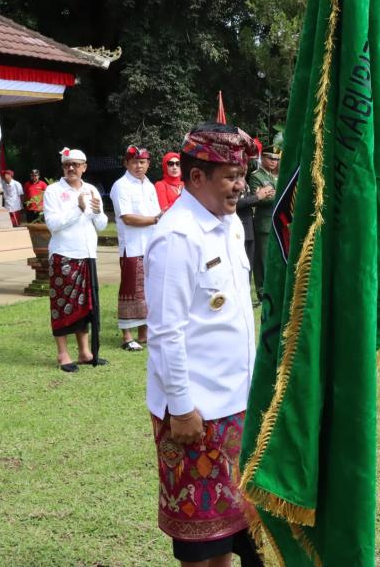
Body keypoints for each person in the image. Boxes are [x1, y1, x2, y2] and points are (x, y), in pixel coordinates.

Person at [145, 122, 262, 567]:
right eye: (230, 175)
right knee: (201, 545)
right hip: (196, 412)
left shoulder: (227, 224)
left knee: (238, 530)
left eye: (242, 173)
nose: (240, 185)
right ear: (196, 178)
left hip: (238, 404)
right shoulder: (177, 236)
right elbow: (166, 332)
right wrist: (181, 406)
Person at [44, 148, 109, 372]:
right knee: (62, 305)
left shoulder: (91, 189)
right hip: (64, 254)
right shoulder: (53, 191)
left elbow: (100, 225)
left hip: (88, 254)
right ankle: (63, 354)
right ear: (62, 167)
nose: (71, 168)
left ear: (84, 167)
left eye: (76, 164)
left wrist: (99, 212)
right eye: (67, 165)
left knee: (86, 306)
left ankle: (84, 352)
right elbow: (53, 224)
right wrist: (78, 208)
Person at [110, 145, 161, 351]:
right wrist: (156, 220)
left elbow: (157, 212)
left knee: (148, 291)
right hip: (132, 247)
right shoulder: (121, 186)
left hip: (150, 245)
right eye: (134, 162)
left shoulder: (149, 185)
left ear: (148, 164)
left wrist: (158, 219)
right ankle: (126, 336)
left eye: (142, 162)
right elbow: (127, 217)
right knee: (130, 290)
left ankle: (143, 333)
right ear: (126, 163)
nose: (139, 166)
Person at [235, 157, 274, 296]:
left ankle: (245, 295)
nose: (244, 166)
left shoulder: (243, 180)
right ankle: (255, 291)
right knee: (242, 265)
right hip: (238, 227)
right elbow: (236, 204)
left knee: (249, 265)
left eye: (245, 163)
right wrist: (258, 197)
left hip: (248, 226)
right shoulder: (236, 181)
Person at [248, 145, 279, 301]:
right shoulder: (256, 176)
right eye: (270, 158)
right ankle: (261, 292)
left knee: (275, 258)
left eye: (276, 159)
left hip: (278, 222)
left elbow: (271, 196)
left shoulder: (276, 177)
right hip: (264, 223)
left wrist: (272, 193)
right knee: (262, 259)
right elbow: (259, 199)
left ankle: (272, 290)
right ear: (263, 158)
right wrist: (279, 195)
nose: (274, 161)